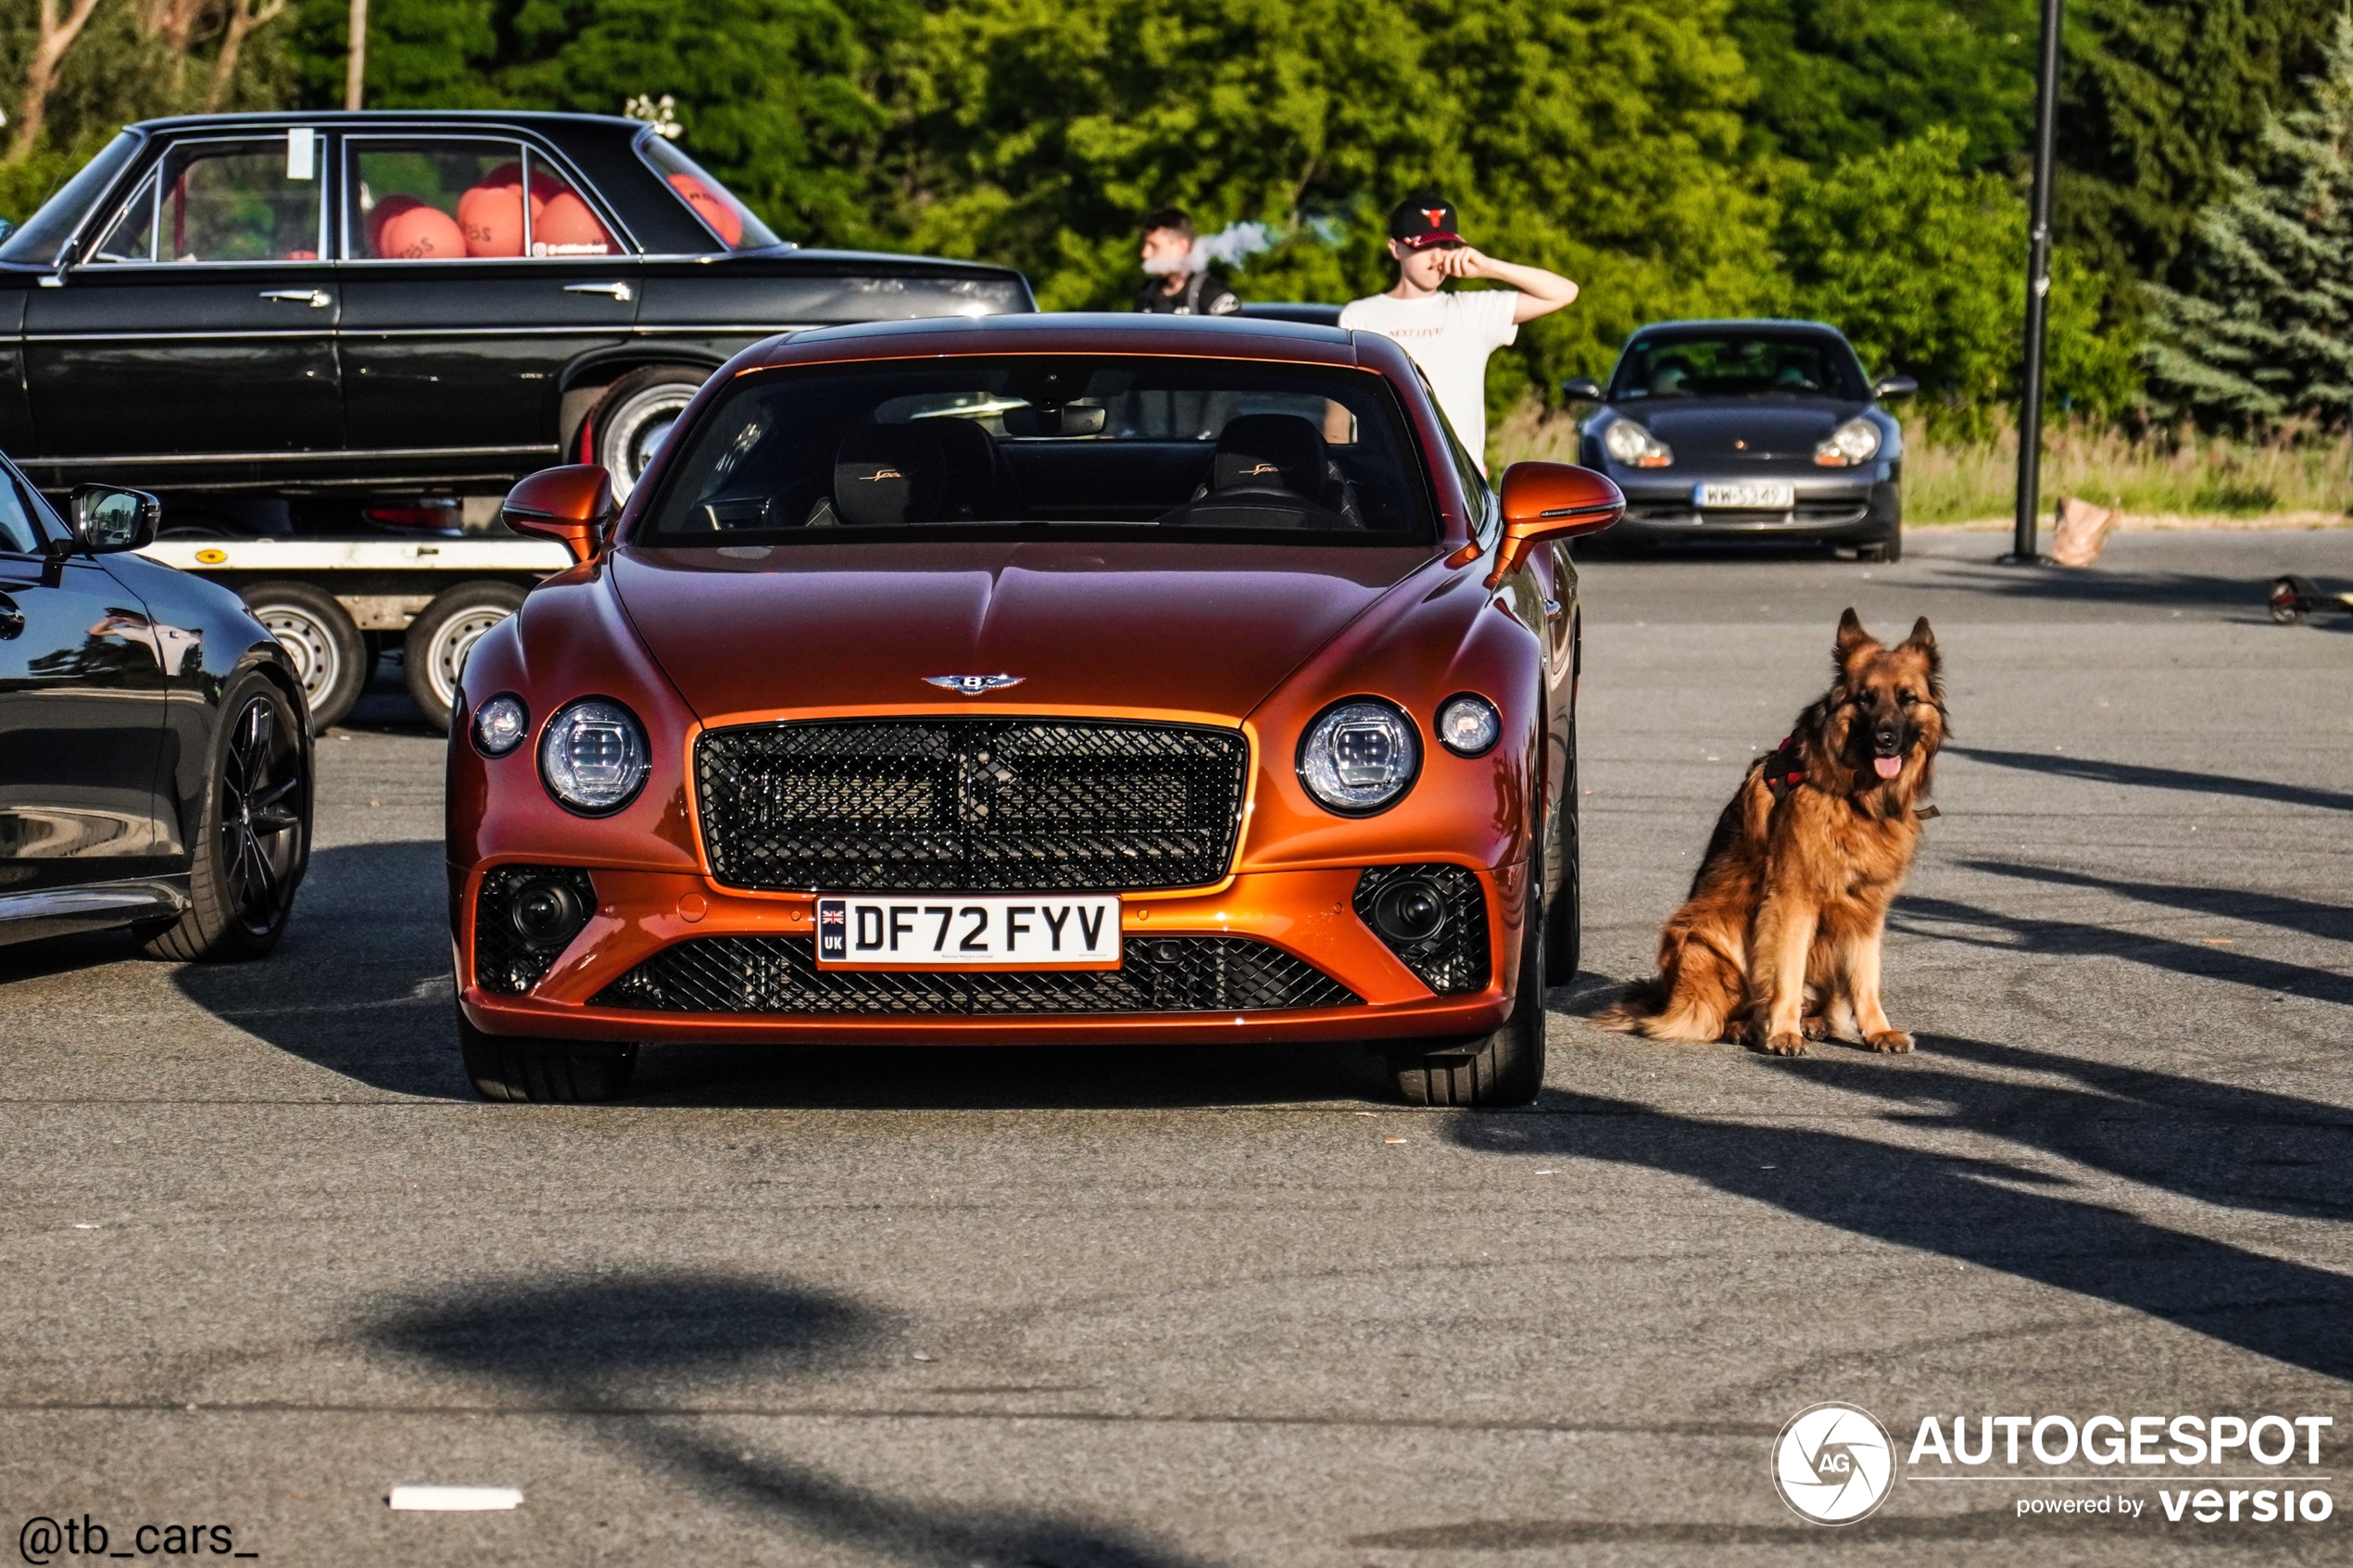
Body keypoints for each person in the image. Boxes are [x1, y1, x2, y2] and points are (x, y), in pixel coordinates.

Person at [1339, 194, 1579, 470]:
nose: (1438, 256)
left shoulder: (1472, 311)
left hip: (1457, 483)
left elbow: (1564, 293)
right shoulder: (1360, 315)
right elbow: (1343, 410)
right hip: (1387, 478)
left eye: (1446, 244)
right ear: (1396, 249)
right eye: (1424, 246)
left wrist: (1489, 267)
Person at [1135, 207, 1240, 317]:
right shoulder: (1147, 293)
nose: (1145, 253)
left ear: (1182, 247)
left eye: (1154, 246)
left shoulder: (1214, 295)